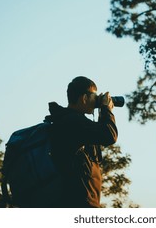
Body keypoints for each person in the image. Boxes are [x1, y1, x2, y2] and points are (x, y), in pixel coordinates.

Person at [45, 76, 118, 208]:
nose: (96, 101)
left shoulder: (66, 120)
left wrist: (102, 112)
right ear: (84, 98)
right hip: (78, 203)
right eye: (94, 97)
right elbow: (109, 136)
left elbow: (101, 134)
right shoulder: (74, 122)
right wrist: (106, 109)